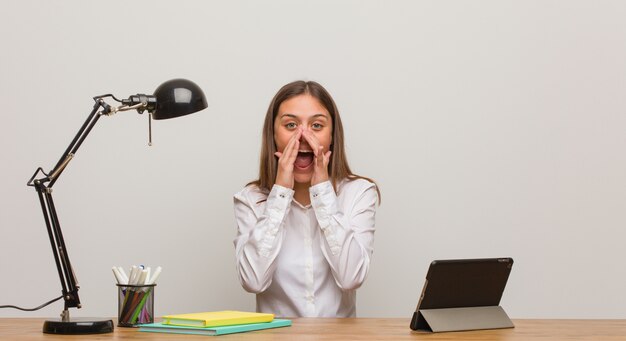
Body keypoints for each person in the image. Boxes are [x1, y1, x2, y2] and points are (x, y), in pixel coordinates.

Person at [233, 80, 380, 318]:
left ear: (332, 135)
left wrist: (323, 191)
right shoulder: (250, 199)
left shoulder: (359, 192)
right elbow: (253, 282)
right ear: (273, 134)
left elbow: (351, 278)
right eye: (290, 125)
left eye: (317, 125)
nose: (303, 136)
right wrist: (280, 192)